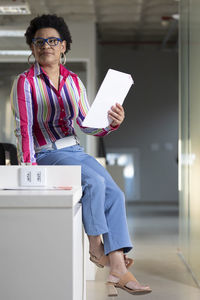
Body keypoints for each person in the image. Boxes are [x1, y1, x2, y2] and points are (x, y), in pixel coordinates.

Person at [10, 14, 151, 296]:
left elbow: (87, 124)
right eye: (39, 42)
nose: (46, 46)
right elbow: (24, 129)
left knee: (116, 195)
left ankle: (117, 269)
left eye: (53, 40)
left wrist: (112, 123)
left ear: (64, 46)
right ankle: (97, 246)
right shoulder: (25, 82)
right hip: (45, 152)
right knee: (96, 184)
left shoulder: (73, 81)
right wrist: (29, 167)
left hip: (73, 149)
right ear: (33, 47)